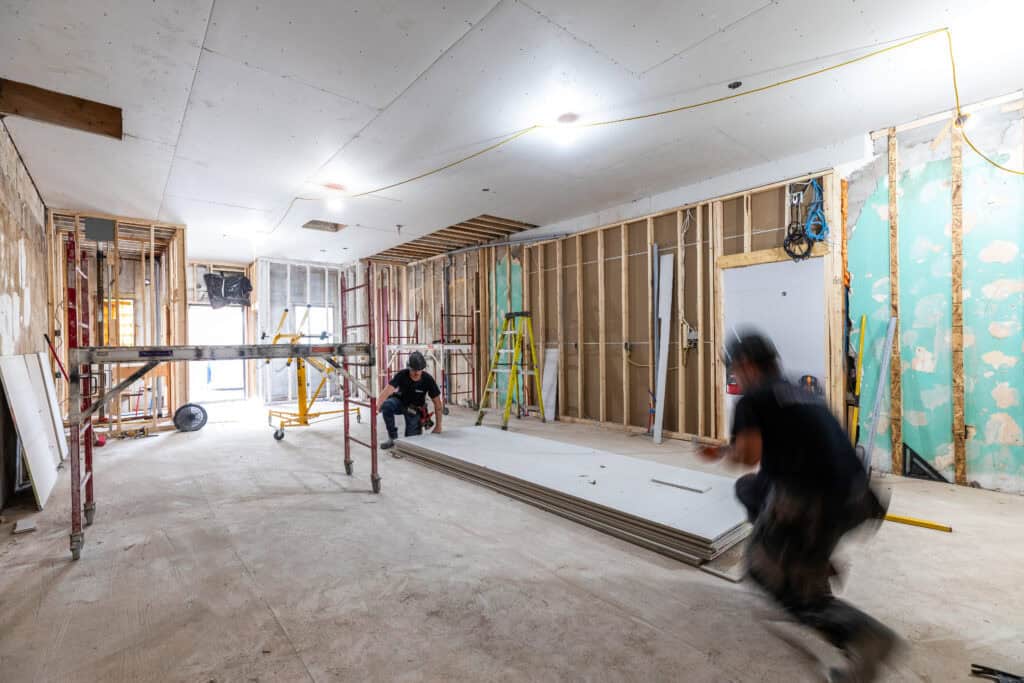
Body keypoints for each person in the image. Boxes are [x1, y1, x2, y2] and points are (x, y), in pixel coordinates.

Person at [700, 330, 899, 682]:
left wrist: (723, 454)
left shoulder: (753, 398)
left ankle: (864, 636)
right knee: (751, 490)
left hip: (813, 503)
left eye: (735, 369)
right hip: (859, 498)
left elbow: (747, 457)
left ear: (746, 365)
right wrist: (727, 449)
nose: (735, 376)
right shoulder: (803, 390)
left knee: (769, 580)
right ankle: (811, 561)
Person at [378, 351, 442, 449]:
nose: (416, 372)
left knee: (411, 443)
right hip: (400, 403)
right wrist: (377, 406)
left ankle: (412, 435)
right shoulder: (402, 375)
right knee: (386, 405)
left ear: (423, 369)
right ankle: (392, 438)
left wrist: (438, 426)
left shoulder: (428, 380)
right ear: (408, 368)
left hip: (414, 409)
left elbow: (437, 403)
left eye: (419, 370)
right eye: (413, 370)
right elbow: (387, 390)